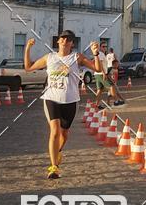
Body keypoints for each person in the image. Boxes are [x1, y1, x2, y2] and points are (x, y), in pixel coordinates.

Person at [24, 30, 101, 179]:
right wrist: (28, 48)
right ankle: (54, 167)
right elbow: (28, 67)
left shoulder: (77, 57)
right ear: (58, 41)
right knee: (55, 131)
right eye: (63, 38)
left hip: (71, 100)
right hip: (51, 98)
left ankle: (57, 151)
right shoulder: (49, 57)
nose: (65, 40)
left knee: (64, 134)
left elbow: (97, 69)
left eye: (69, 39)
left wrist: (96, 54)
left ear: (72, 43)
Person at [95, 42, 125, 107]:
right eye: (103, 46)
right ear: (100, 47)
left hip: (97, 74)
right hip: (101, 73)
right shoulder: (100, 54)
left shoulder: (103, 54)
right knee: (111, 86)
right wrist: (104, 73)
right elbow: (100, 64)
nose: (105, 48)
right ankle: (116, 100)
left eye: (106, 46)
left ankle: (96, 104)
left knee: (99, 90)